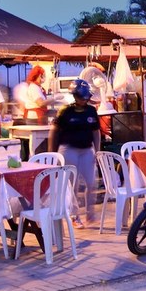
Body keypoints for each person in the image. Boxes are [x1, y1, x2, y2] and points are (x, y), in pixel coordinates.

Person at [49, 79, 100, 229]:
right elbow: (54, 131)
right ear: (75, 96)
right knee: (72, 184)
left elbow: (96, 132)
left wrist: (97, 150)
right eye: (81, 97)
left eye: (86, 98)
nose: (84, 100)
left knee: (91, 182)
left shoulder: (91, 110)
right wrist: (53, 153)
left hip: (86, 150)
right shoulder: (65, 111)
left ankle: (90, 212)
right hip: (68, 149)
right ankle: (74, 215)